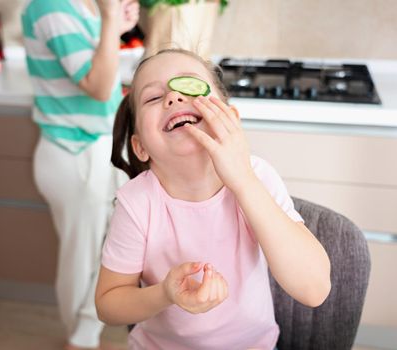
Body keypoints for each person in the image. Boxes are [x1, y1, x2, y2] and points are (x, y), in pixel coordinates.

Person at [95, 49, 331, 349]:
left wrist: (243, 180)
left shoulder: (258, 176)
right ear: (141, 147)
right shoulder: (137, 202)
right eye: (154, 98)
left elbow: (314, 289)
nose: (174, 98)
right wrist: (165, 293)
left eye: (189, 86)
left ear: (230, 118)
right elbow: (108, 304)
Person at [21, 0, 139, 349]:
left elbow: (98, 67)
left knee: (110, 252)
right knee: (83, 258)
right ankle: (81, 339)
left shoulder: (81, 5)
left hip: (99, 148)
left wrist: (112, 26)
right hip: (75, 153)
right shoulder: (50, 7)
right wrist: (108, 19)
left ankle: (86, 335)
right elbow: (99, 87)